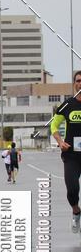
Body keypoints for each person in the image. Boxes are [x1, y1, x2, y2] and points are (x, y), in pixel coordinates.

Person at [51, 70, 81, 233]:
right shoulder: (67, 105)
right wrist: (60, 141)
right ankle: (76, 212)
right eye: (78, 81)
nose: (80, 83)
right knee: (72, 190)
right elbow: (54, 126)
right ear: (75, 84)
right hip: (71, 156)